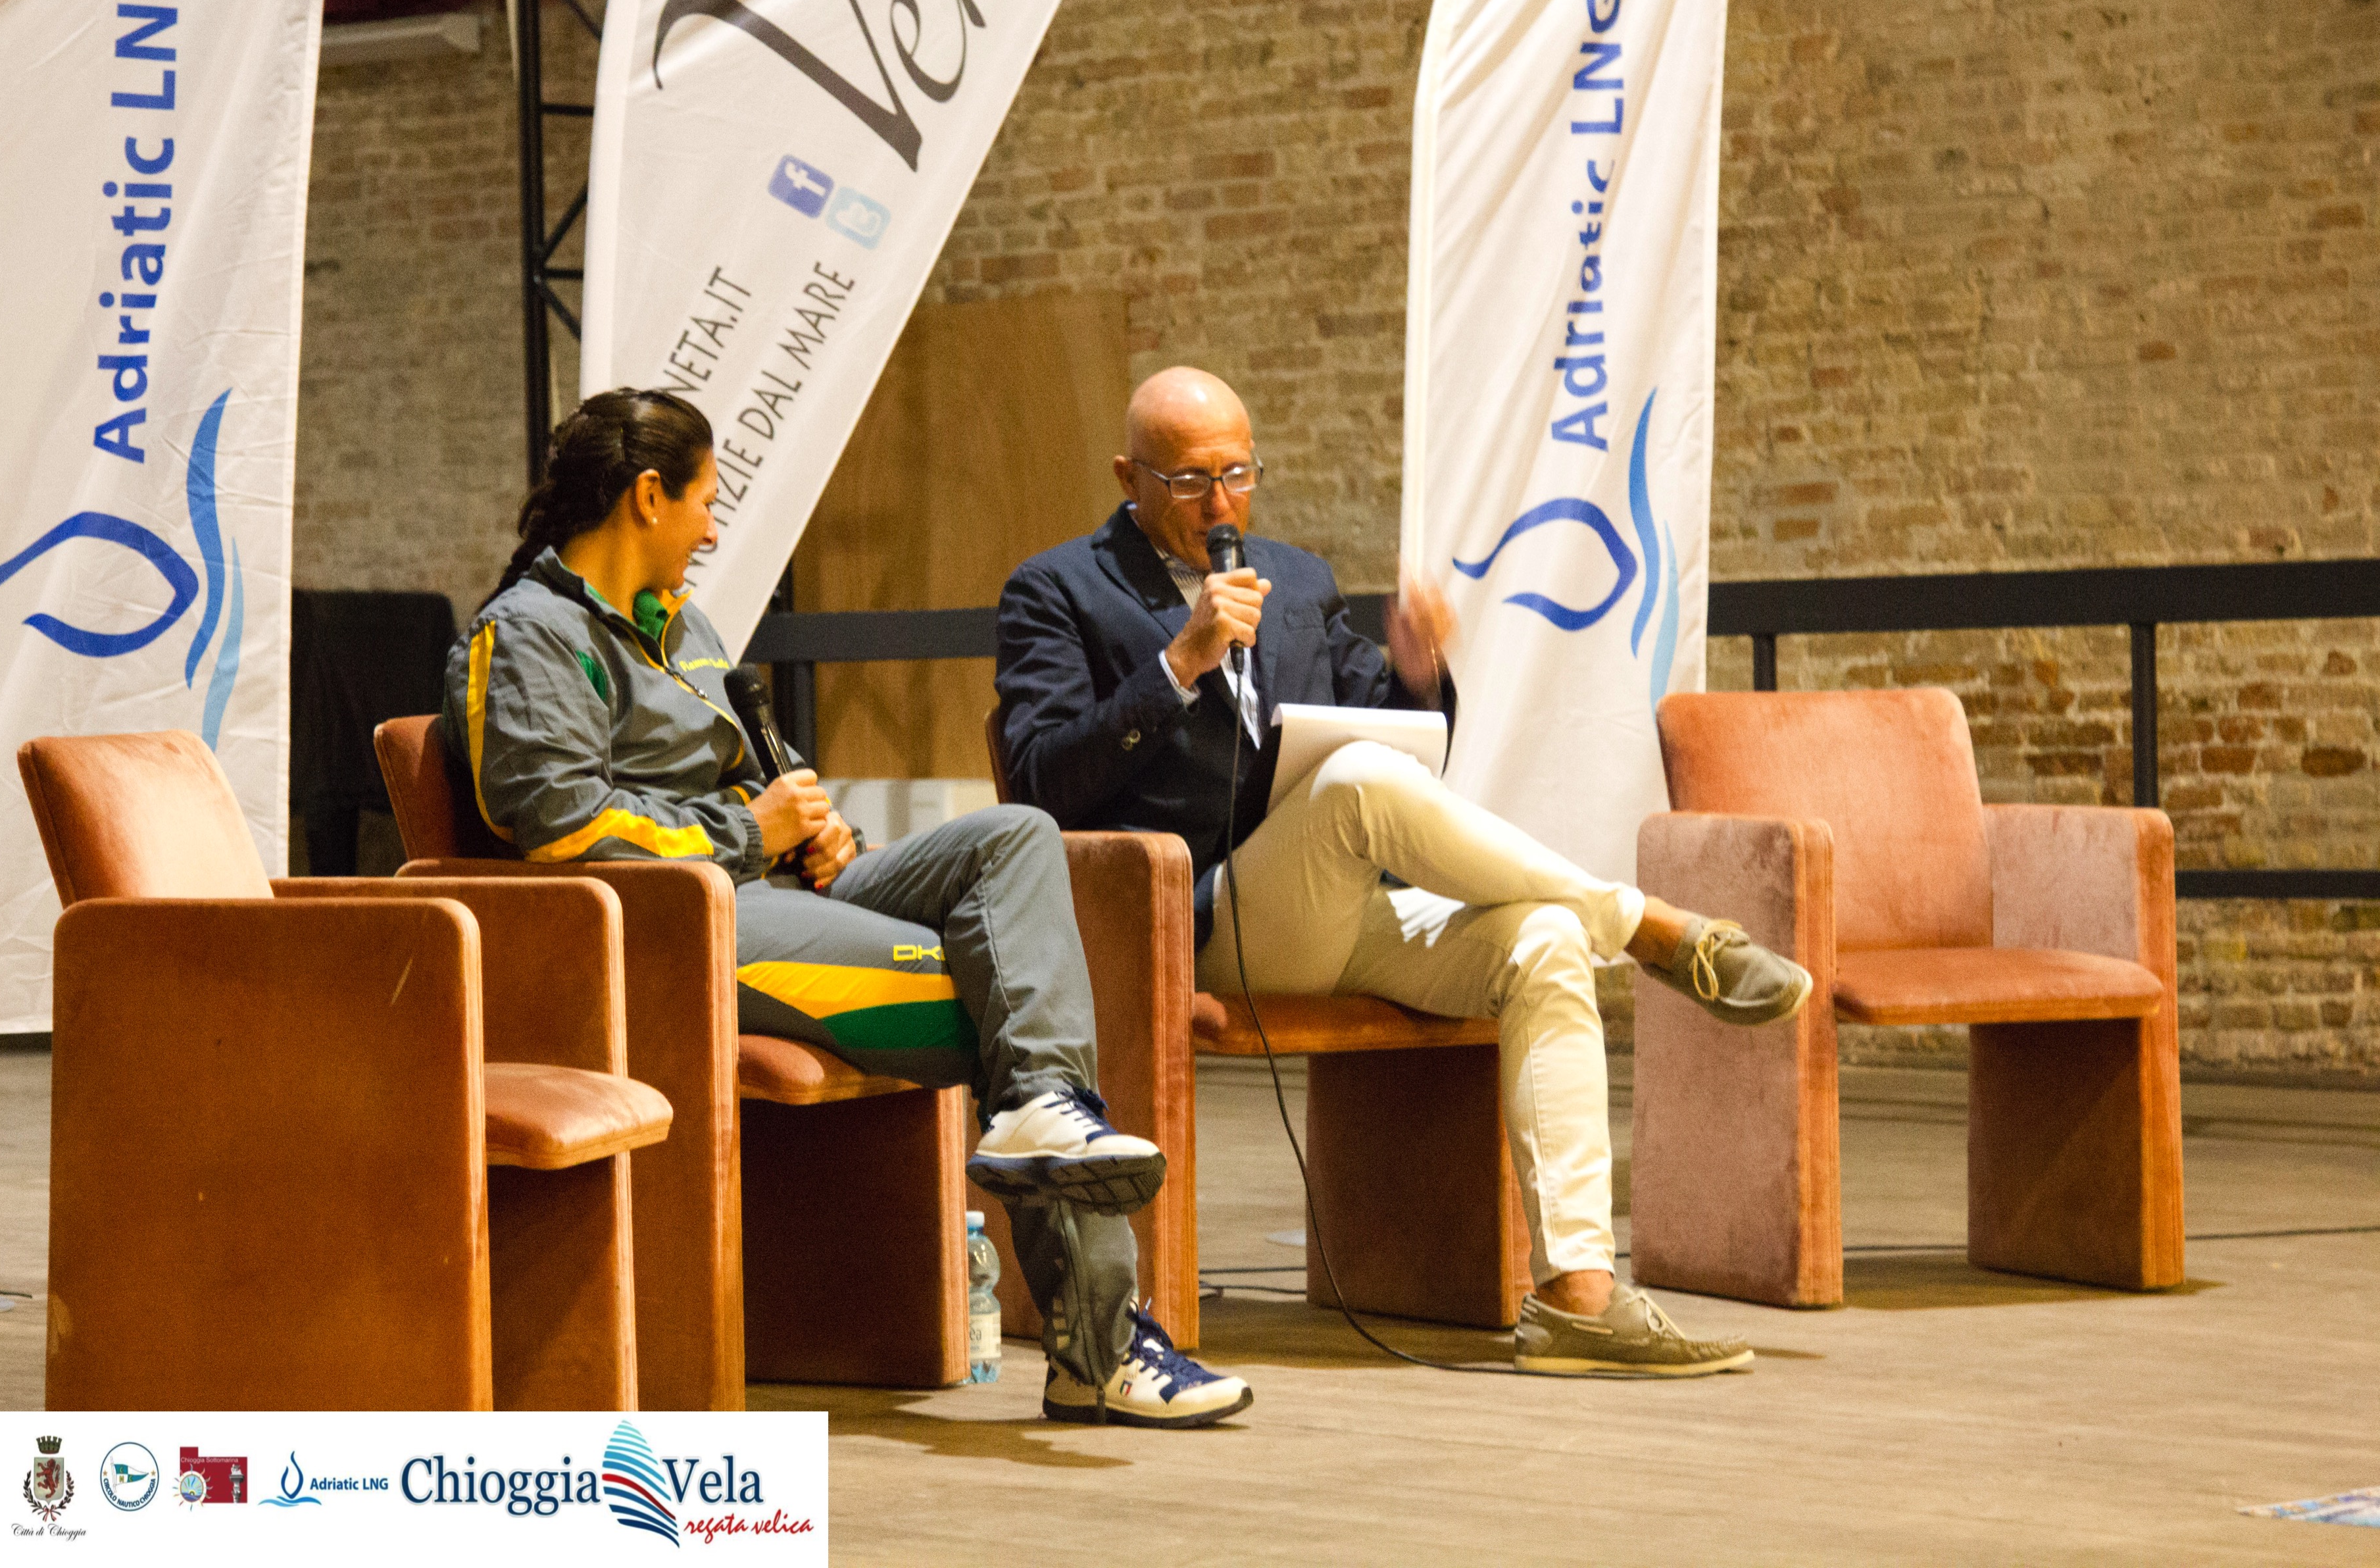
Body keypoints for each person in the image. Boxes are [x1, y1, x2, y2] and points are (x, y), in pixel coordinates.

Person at [444, 389, 1251, 1427]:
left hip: (772, 884)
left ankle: (1048, 1131)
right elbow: (561, 830)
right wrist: (752, 831)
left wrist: (816, 832)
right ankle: (1101, 1344)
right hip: (681, 923)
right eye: (705, 502)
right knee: (1012, 1010)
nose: (712, 530)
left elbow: (749, 780)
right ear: (647, 496)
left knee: (1016, 837)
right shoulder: (530, 634)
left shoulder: (683, 627)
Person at [996, 367, 1814, 1378]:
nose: (1221, 506)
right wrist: (1179, 664)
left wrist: (1421, 680)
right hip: (1191, 923)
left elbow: (1388, 736)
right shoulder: (1056, 589)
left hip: (1332, 909)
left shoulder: (1296, 579)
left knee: (1545, 939)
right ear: (1130, 477)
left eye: (1239, 474)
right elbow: (1042, 779)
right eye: (1190, 482)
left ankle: (1578, 1298)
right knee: (1355, 787)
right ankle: (1646, 925)